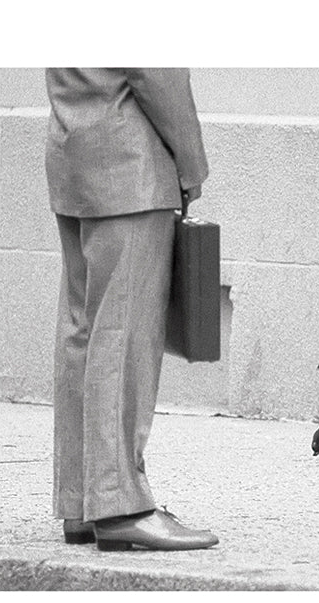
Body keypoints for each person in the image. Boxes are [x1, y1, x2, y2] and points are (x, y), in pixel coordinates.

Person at [46, 68, 219, 549]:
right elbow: (154, 67)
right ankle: (119, 504)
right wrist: (192, 163)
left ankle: (81, 503)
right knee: (123, 335)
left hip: (72, 153)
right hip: (129, 164)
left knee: (82, 330)